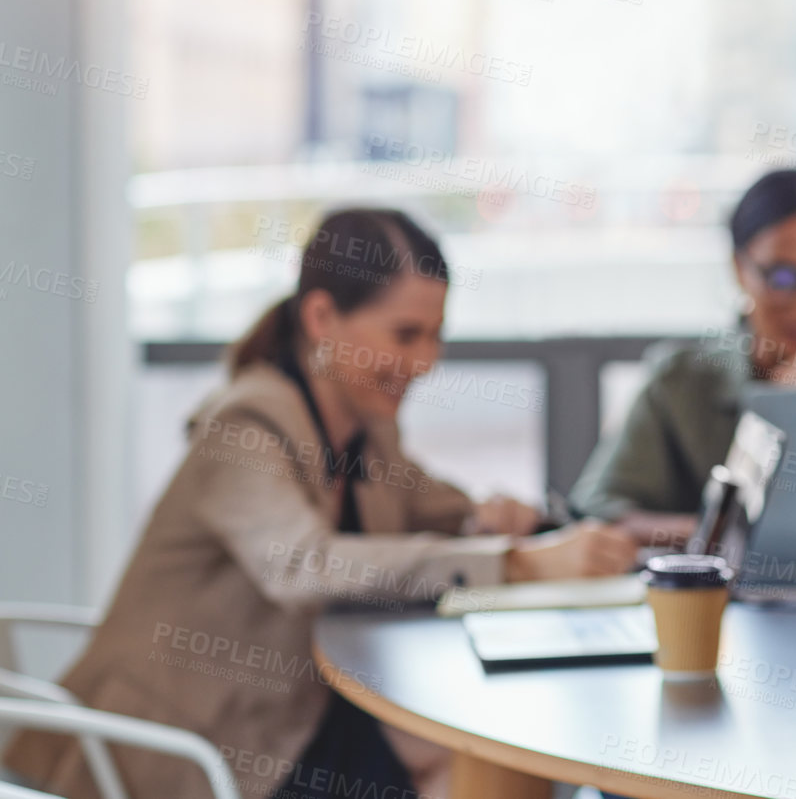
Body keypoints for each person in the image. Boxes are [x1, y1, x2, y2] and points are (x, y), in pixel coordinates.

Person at [4, 208, 638, 799]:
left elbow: (425, 505)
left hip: (293, 712)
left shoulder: (362, 423)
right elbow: (304, 564)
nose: (425, 362)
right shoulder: (243, 426)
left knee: (488, 750)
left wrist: (489, 520)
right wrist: (518, 564)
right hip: (193, 742)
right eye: (405, 334)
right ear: (321, 319)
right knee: (471, 755)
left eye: (436, 336)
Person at [568, 168, 796, 550]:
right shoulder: (681, 382)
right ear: (739, 269)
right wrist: (724, 536)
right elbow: (596, 510)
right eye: (784, 279)